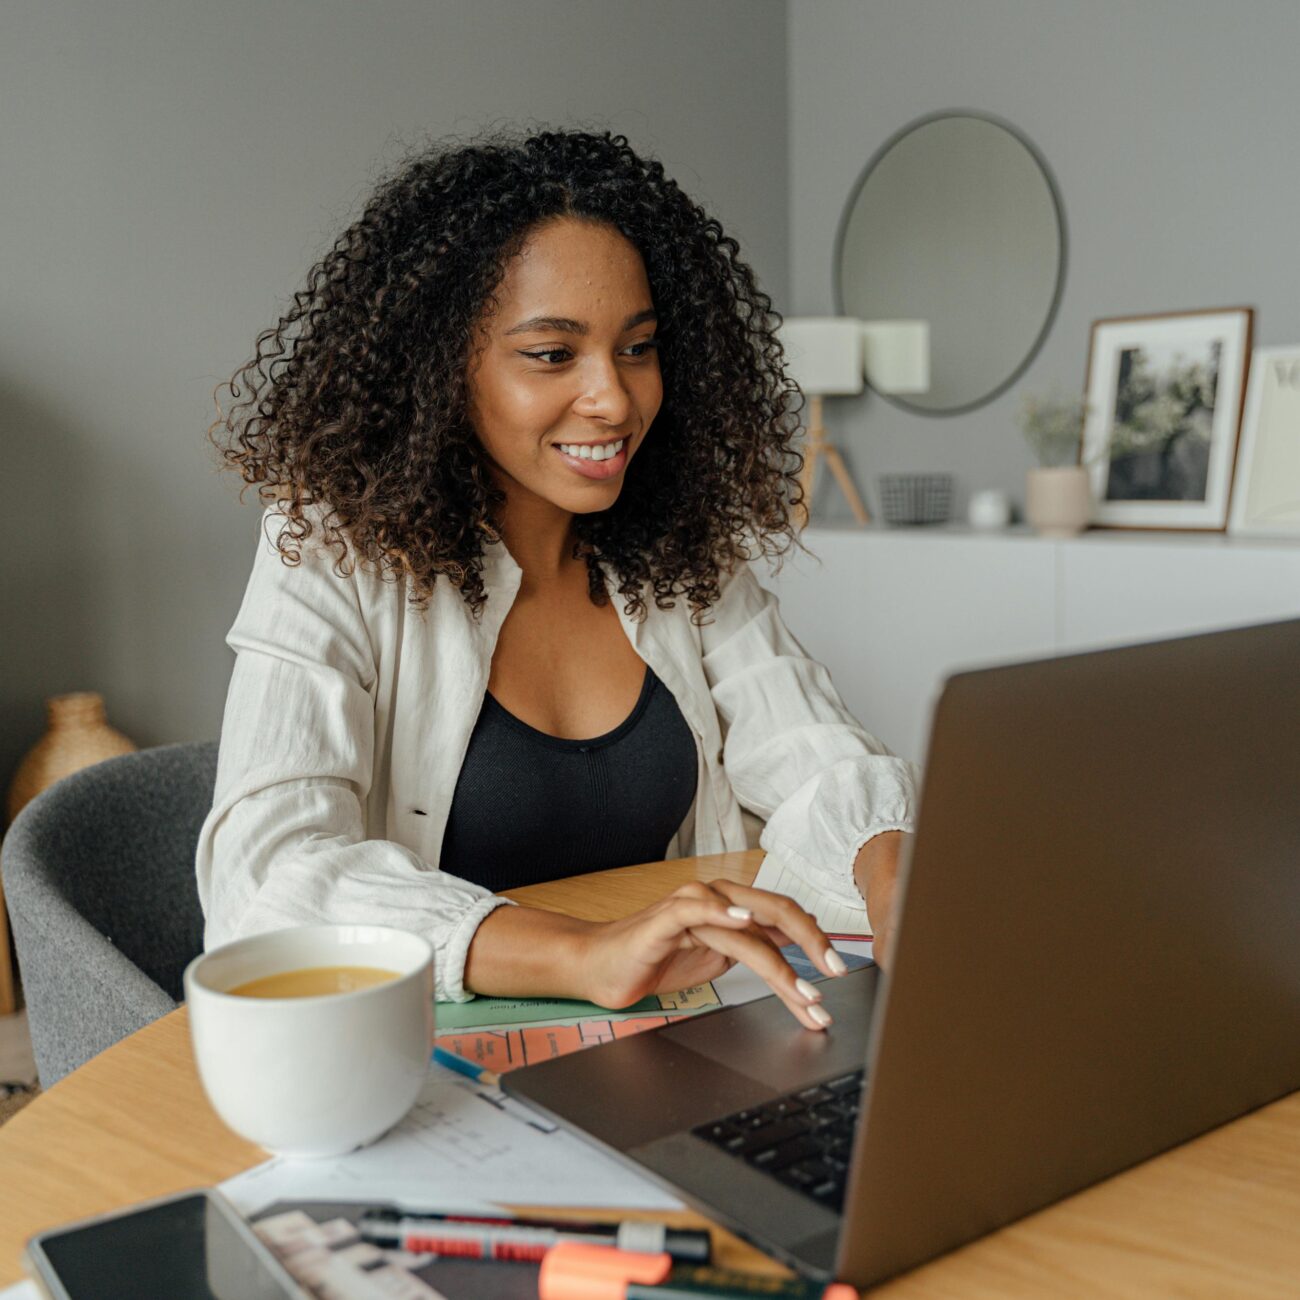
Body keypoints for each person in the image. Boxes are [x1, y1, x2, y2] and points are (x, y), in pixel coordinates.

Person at [198, 128, 918, 1030]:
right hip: (418, 1055)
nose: (614, 400)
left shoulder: (678, 545)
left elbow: (815, 755)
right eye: (551, 354)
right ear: (441, 367)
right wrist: (585, 955)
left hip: (669, 1028)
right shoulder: (333, 546)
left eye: (638, 347)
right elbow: (267, 873)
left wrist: (904, 900)